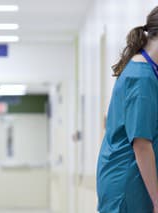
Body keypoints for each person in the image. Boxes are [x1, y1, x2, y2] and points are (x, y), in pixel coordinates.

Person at [97, 6, 158, 213]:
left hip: (127, 183)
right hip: (127, 186)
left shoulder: (142, 70)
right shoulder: (142, 78)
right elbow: (141, 144)